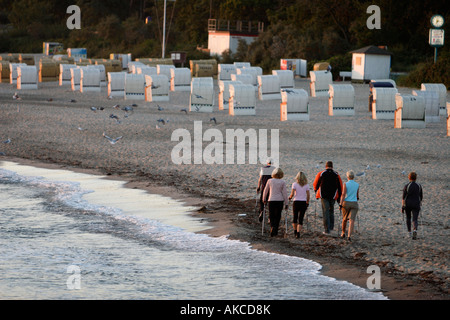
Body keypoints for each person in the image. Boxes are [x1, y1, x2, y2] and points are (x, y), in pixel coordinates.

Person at [313, 161, 343, 235]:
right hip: (333, 195)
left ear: (326, 166)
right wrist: (339, 198)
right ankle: (331, 227)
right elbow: (340, 186)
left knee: (325, 211)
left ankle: (327, 229)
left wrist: (316, 191)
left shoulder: (321, 173)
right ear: (332, 166)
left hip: (323, 195)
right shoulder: (336, 174)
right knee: (331, 211)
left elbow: (315, 183)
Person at [263, 168, 289, 237]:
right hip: (280, 200)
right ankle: (276, 229)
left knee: (271, 214)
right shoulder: (282, 182)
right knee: (278, 215)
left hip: (271, 200)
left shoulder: (270, 181)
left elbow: (266, 190)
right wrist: (286, 203)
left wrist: (264, 199)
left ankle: (272, 226)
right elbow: (285, 193)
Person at [289, 171, 310, 238]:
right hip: (303, 202)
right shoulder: (306, 185)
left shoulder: (294, 184)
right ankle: (298, 232)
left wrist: (290, 197)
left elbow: (292, 194)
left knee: (295, 217)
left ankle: (295, 230)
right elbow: (308, 195)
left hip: (296, 201)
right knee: (300, 218)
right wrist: (307, 202)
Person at [339, 171, 359, 241]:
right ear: (353, 177)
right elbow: (357, 196)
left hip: (346, 202)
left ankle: (343, 233)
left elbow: (343, 194)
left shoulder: (345, 184)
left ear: (347, 177)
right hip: (354, 203)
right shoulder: (357, 184)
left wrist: (340, 204)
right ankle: (349, 236)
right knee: (352, 220)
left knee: (344, 219)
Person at [402, 172, 423, 240]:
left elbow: (403, 197)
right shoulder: (419, 185)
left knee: (408, 218)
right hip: (416, 203)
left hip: (408, 203)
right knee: (415, 219)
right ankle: (415, 230)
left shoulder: (407, 185)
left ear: (409, 177)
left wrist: (403, 206)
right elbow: (421, 196)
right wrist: (420, 203)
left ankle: (409, 232)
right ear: (416, 178)